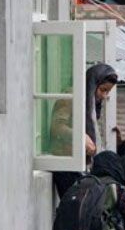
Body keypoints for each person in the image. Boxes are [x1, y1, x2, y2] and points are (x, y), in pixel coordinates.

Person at [50, 63, 118, 197]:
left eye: (108, 92)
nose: (104, 96)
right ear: (93, 84)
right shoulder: (72, 97)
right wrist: (81, 138)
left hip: (80, 165)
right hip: (65, 164)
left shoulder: (90, 104)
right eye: (103, 90)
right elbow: (57, 127)